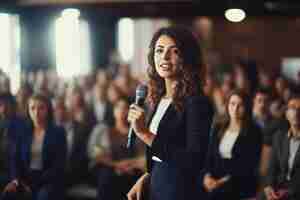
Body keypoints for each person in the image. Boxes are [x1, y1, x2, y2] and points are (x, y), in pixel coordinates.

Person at [127, 26, 214, 200]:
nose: (164, 57)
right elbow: (161, 154)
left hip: (180, 190)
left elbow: (193, 160)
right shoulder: (159, 99)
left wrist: (145, 133)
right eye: (159, 51)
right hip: (158, 182)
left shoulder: (196, 102)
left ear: (187, 58)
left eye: (174, 51)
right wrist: (147, 177)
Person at [2, 93, 67, 200]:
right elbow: (15, 159)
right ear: (28, 110)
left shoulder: (58, 132)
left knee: (43, 196)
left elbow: (58, 165)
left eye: (41, 108)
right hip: (24, 179)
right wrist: (16, 180)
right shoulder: (22, 130)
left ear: (48, 110)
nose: (36, 113)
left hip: (48, 180)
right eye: (32, 108)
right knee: (8, 194)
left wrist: (35, 182)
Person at [203, 90, 262, 200]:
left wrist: (220, 182)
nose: (235, 109)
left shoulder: (254, 132)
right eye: (232, 104)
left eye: (240, 105)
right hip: (215, 179)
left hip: (239, 182)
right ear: (227, 105)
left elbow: (248, 165)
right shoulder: (218, 128)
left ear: (247, 107)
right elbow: (209, 156)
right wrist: (207, 176)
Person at [264, 94, 300, 200]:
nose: (296, 112)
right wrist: (269, 186)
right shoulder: (279, 137)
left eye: (299, 109)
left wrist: (289, 192)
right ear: (287, 114)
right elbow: (272, 167)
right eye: (292, 108)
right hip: (277, 189)